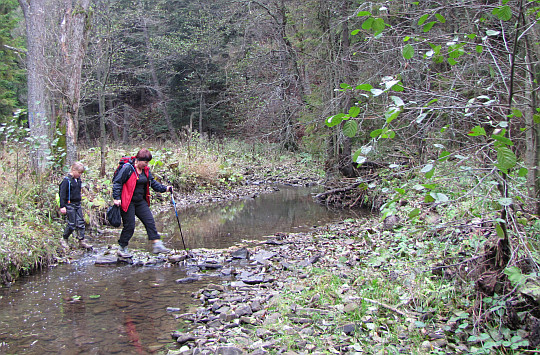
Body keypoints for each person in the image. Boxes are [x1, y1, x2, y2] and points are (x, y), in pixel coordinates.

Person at [112, 148, 173, 257]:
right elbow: (117, 182)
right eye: (145, 162)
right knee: (129, 226)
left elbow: (153, 183)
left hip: (140, 201)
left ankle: (157, 244)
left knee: (149, 221)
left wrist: (166, 189)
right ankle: (122, 247)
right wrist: (116, 198)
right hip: (128, 201)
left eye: (148, 162)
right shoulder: (128, 169)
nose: (147, 164)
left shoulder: (145, 170)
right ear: (138, 160)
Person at [59, 162, 93, 249]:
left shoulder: (78, 180)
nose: (80, 175)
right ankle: (64, 238)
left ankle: (81, 240)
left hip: (77, 204)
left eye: (81, 173)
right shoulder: (66, 181)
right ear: (73, 170)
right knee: (72, 224)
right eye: (79, 173)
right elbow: (62, 194)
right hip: (69, 204)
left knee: (81, 222)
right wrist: (62, 206)